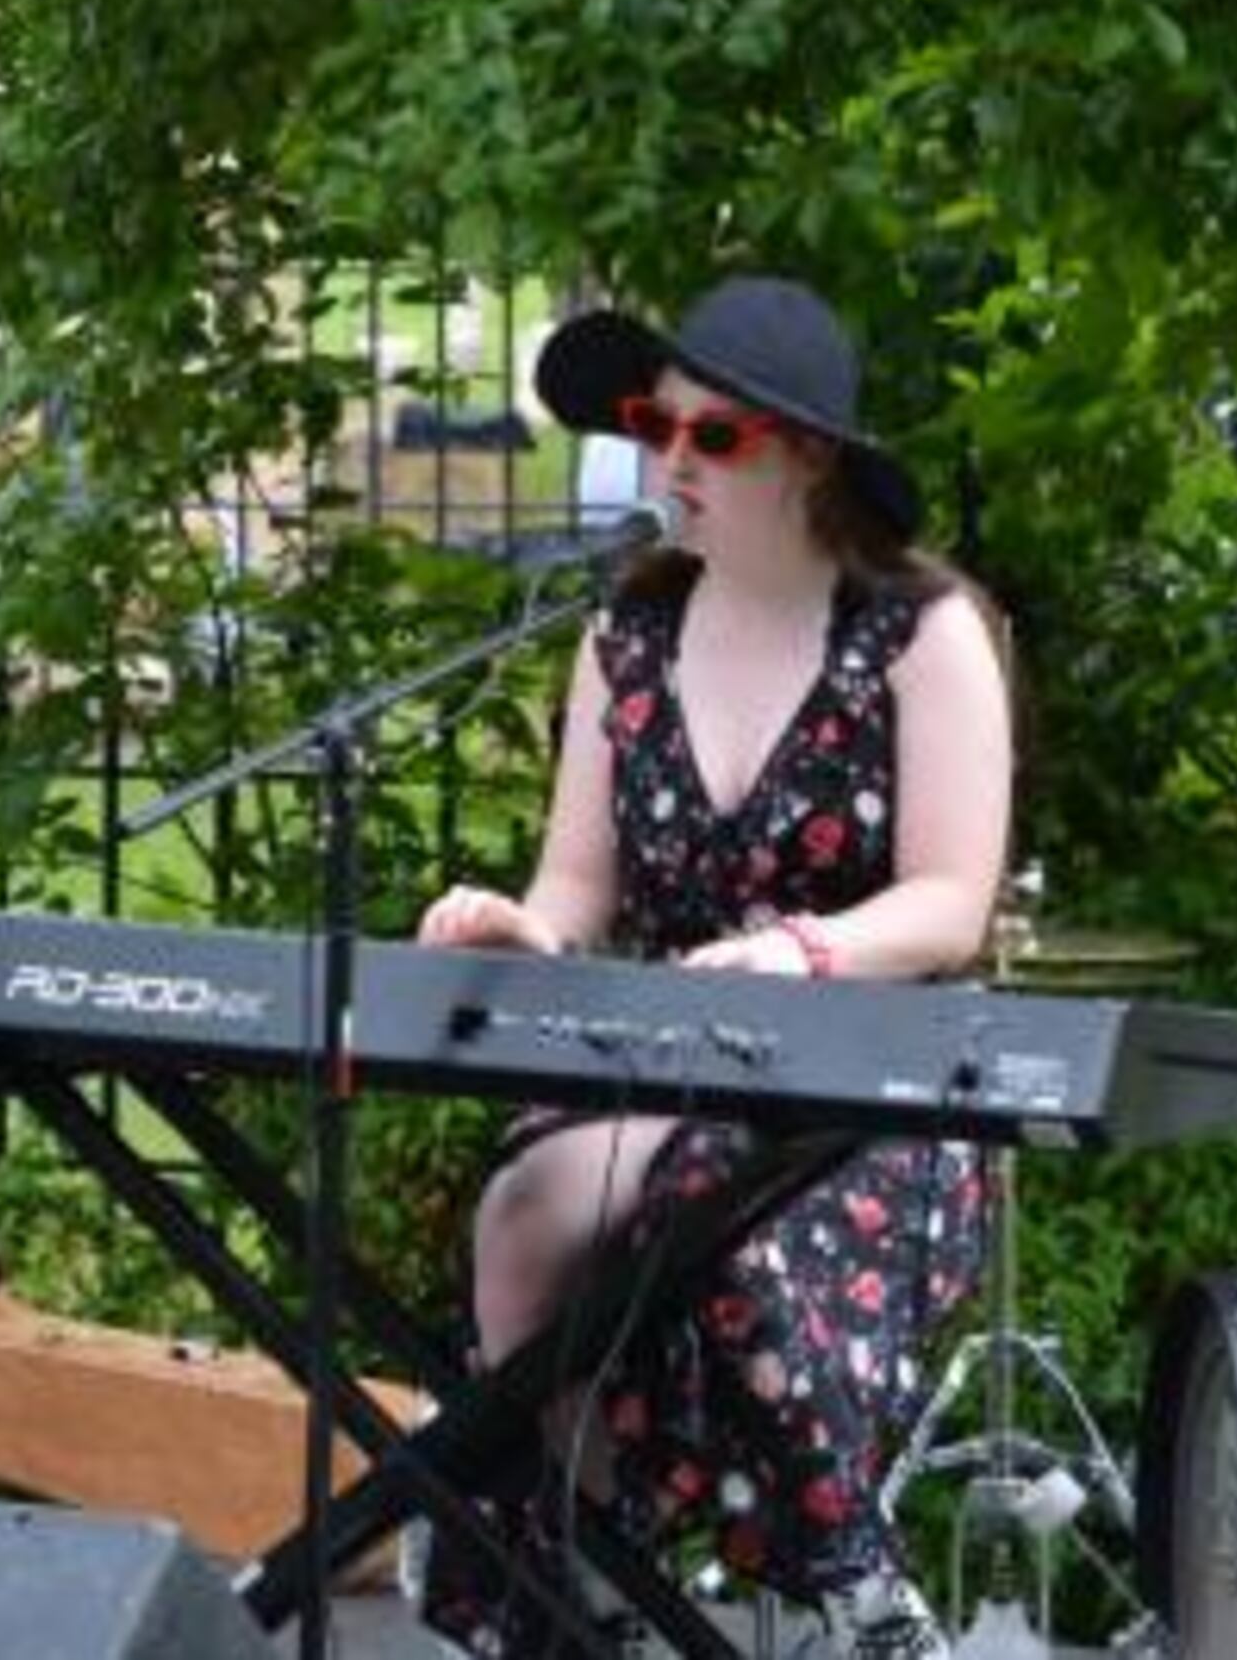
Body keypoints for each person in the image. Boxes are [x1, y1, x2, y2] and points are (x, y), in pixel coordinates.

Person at [412, 275, 1008, 1660]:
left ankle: (850, 1588)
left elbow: (952, 902)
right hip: (664, 1062)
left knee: (715, 1210)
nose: (669, 459)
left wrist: (801, 951)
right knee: (522, 1217)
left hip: (868, 1093)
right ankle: (570, 1589)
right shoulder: (622, 638)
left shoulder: (923, 635)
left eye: (711, 436)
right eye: (651, 426)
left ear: (805, 451)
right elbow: (576, 886)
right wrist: (528, 930)